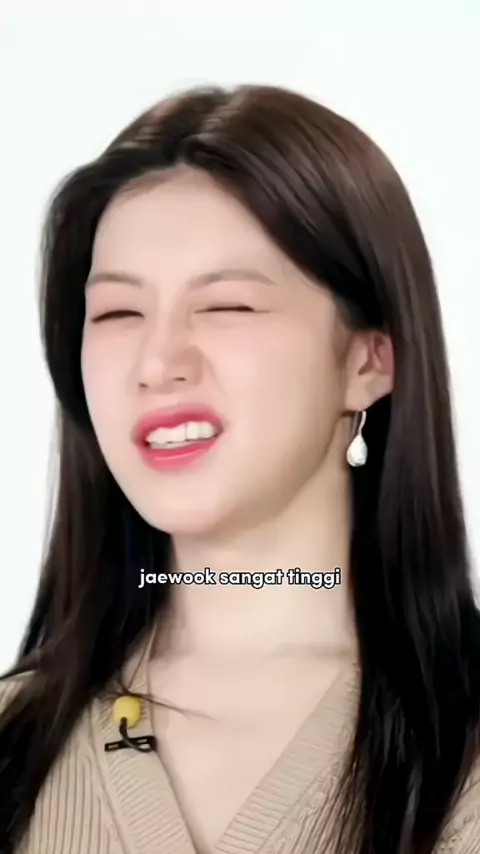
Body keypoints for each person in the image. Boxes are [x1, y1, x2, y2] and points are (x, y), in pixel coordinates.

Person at [1, 82, 480, 854]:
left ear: (369, 361)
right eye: (118, 314)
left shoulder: (463, 752)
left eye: (227, 306)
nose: (157, 363)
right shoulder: (13, 742)